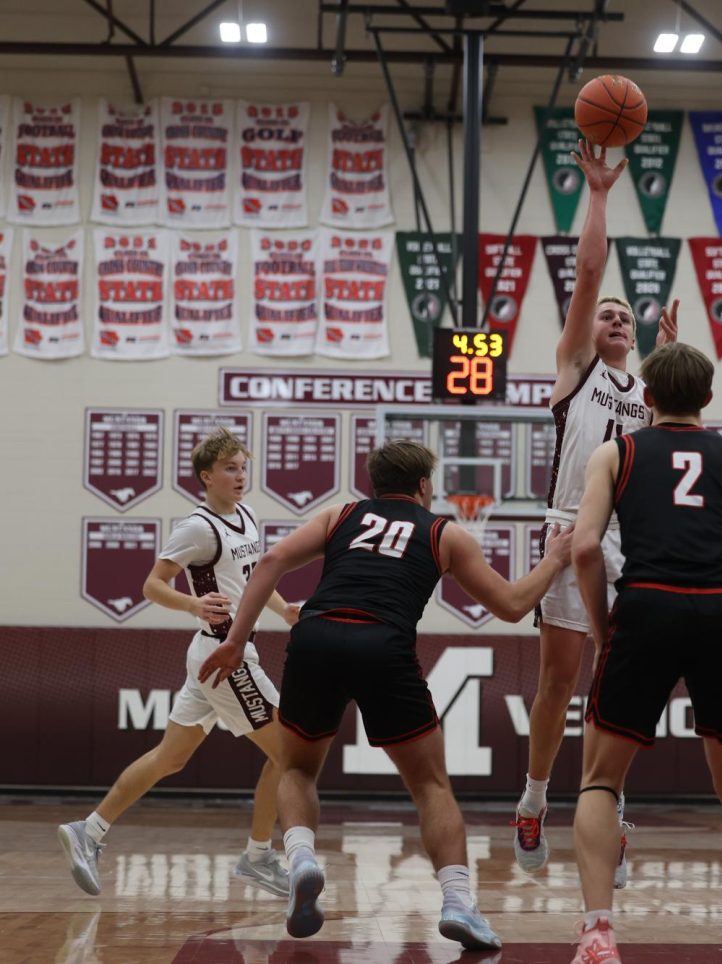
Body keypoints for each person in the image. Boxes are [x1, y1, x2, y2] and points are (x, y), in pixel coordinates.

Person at [196, 440, 573, 950]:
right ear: (423, 486)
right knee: (431, 786)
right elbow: (509, 605)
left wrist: (237, 641)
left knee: (298, 769)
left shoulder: (340, 514)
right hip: (382, 645)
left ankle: (303, 856)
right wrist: (553, 562)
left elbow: (270, 563)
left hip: (316, 636)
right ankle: (458, 902)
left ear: (375, 483)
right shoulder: (445, 533)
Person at [570, 342, 722, 964]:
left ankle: (597, 935)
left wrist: (600, 628)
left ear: (646, 400)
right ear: (708, 398)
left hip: (645, 606)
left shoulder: (616, 452)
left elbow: (585, 549)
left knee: (600, 779)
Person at [514, 137, 677, 885]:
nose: (611, 316)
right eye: (603, 314)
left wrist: (673, 365)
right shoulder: (577, 373)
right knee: (557, 682)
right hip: (569, 527)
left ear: (636, 338)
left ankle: (605, 803)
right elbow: (586, 273)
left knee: (621, 684)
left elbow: (685, 448)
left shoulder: (650, 399)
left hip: (630, 541)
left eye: (622, 316)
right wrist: (602, 192)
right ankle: (535, 796)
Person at [57, 427, 299, 898]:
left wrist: (284, 610)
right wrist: (191, 604)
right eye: (230, 468)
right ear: (206, 477)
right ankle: (258, 856)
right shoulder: (197, 527)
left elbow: (251, 581)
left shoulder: (246, 515)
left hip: (215, 654)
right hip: (223, 657)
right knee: (290, 754)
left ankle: (89, 831)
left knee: (170, 758)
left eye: (243, 467)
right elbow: (152, 585)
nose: (239, 475)